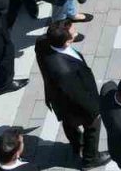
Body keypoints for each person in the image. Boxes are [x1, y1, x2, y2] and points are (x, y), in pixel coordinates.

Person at [36, 21, 111, 169]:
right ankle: (90, 158)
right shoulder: (65, 72)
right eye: (74, 32)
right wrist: (95, 110)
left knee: (69, 122)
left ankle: (77, 145)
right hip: (75, 100)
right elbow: (78, 96)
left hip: (58, 97)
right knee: (92, 125)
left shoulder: (42, 42)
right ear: (66, 41)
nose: (76, 32)